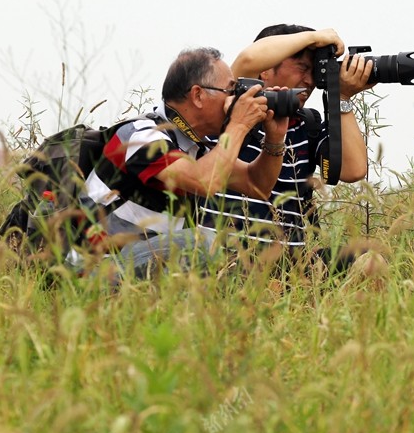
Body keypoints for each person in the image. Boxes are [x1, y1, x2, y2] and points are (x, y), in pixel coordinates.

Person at [80, 47, 289, 279]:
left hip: (131, 264)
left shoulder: (191, 147)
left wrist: (276, 137)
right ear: (198, 95)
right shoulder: (141, 136)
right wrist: (239, 125)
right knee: (203, 242)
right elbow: (206, 181)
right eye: (231, 90)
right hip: (91, 270)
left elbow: (257, 185)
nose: (235, 99)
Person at [197, 25, 375, 271]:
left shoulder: (306, 124)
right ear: (265, 70)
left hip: (292, 268)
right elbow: (248, 59)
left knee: (370, 262)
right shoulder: (227, 110)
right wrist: (315, 38)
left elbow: (353, 170)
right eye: (302, 68)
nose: (310, 81)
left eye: (314, 72)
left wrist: (341, 98)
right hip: (227, 260)